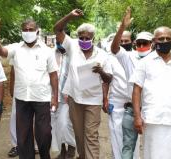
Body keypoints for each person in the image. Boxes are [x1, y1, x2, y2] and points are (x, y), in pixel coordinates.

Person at [0, 16, 59, 159]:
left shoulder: (47, 51)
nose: (28, 32)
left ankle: (44, 154)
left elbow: (53, 75)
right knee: (23, 136)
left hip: (42, 98)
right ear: (21, 32)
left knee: (44, 133)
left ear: (37, 31)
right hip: (22, 99)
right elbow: (0, 51)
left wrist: (55, 98)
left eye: (31, 29)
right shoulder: (16, 48)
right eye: (25, 30)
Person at [54, 9, 113, 159]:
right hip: (75, 99)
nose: (84, 40)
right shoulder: (72, 46)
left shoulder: (102, 55)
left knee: (91, 135)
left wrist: (101, 72)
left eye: (87, 38)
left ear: (93, 38)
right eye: (81, 37)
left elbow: (109, 79)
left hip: (93, 100)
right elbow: (57, 29)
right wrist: (69, 16)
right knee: (79, 134)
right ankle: (82, 156)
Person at [131, 26, 171, 159]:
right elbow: (136, 90)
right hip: (152, 120)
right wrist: (137, 116)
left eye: (168, 38)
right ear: (154, 41)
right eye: (161, 38)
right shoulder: (145, 63)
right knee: (152, 155)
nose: (165, 41)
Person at [110, 7, 153, 159]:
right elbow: (114, 48)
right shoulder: (129, 57)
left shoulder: (157, 60)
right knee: (128, 146)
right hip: (131, 111)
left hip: (152, 110)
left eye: (145, 43)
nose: (142, 46)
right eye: (139, 43)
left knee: (151, 147)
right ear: (135, 43)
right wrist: (122, 27)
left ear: (152, 43)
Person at [100, 34, 130, 159]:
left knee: (132, 138)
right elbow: (106, 81)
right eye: (120, 41)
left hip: (133, 104)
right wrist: (105, 99)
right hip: (116, 102)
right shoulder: (110, 58)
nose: (122, 43)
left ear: (131, 42)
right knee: (116, 136)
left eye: (126, 41)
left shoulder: (137, 57)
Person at [51, 41, 76, 159]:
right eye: (58, 41)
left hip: (68, 97)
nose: (60, 43)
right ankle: (62, 151)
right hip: (54, 96)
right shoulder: (51, 54)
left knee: (67, 124)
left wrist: (70, 91)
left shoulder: (73, 54)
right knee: (56, 125)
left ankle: (71, 150)